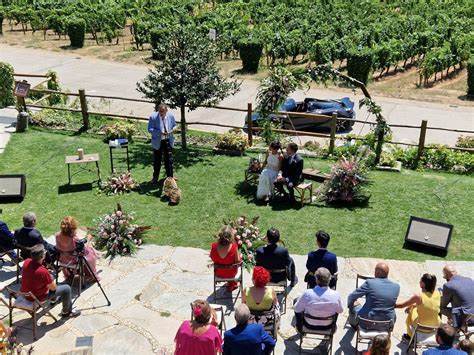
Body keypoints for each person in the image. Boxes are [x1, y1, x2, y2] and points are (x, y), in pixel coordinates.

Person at [20, 244, 80, 317]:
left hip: (26, 293)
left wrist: (49, 279)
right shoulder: (42, 271)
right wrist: (50, 281)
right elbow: (53, 288)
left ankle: (53, 301)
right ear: (43, 256)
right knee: (66, 288)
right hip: (37, 297)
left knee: (50, 277)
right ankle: (66, 312)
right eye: (45, 252)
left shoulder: (27, 261)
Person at [347, 262, 400, 328]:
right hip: (386, 325)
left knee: (354, 304)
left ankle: (353, 325)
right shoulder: (396, 287)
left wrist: (350, 305)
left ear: (377, 273)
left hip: (366, 323)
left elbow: (351, 297)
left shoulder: (370, 283)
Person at [55, 216, 101, 282]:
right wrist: (88, 239)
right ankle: (93, 274)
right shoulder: (74, 239)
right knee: (89, 250)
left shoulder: (57, 235)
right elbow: (83, 250)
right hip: (74, 260)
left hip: (63, 259)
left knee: (88, 248)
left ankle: (98, 253)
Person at [396, 273, 441, 340]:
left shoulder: (418, 297)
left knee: (412, 310)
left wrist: (388, 304)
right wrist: (414, 305)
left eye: (420, 281)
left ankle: (409, 334)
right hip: (435, 325)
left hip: (421, 326)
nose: (419, 282)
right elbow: (427, 305)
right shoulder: (438, 293)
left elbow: (401, 305)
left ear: (423, 284)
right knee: (414, 307)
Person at [148, 103, 177, 184]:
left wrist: (173, 129)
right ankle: (155, 178)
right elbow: (150, 129)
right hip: (158, 141)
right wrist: (160, 133)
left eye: (163, 111)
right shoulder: (153, 117)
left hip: (168, 140)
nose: (161, 113)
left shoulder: (171, 116)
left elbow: (174, 125)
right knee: (157, 161)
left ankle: (170, 177)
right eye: (160, 111)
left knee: (169, 160)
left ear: (166, 111)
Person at [210, 226, 240, 292]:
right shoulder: (234, 247)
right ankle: (232, 284)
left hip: (219, 273)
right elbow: (238, 261)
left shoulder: (214, 246)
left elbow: (212, 258)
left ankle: (231, 284)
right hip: (231, 273)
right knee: (234, 267)